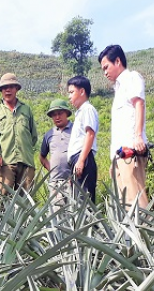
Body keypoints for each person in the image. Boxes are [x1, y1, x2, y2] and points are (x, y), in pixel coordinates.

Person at [99, 44, 150, 209]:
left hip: (131, 151)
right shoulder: (118, 89)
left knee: (137, 202)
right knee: (126, 204)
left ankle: (144, 234)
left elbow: (139, 105)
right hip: (120, 154)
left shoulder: (132, 78)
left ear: (118, 61)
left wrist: (138, 137)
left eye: (106, 67)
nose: (105, 72)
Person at [0, 73, 39, 195]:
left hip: (26, 161)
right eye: (4, 88)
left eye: (11, 86)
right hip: (6, 163)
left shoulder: (26, 109)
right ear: (1, 91)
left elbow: (34, 136)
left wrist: (24, 147)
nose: (8, 90)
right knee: (3, 199)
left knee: (26, 201)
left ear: (16, 89)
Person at [66, 75, 99, 203]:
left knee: (85, 201)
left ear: (82, 91)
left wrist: (80, 160)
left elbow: (90, 134)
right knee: (78, 201)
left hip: (83, 158)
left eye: (71, 92)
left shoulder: (88, 109)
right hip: (79, 159)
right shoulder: (80, 112)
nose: (69, 96)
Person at [39, 99, 73, 205]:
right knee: (56, 212)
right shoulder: (49, 134)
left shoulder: (76, 130)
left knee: (74, 212)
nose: (57, 117)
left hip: (73, 181)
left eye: (60, 113)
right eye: (54, 115)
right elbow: (42, 157)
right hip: (55, 182)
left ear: (66, 113)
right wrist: (51, 170)